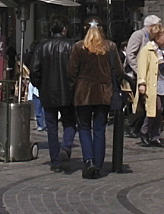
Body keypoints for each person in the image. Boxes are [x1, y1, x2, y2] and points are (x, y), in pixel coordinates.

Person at [68, 17, 120, 180]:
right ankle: (98, 163)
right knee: (99, 129)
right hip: (104, 92)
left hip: (83, 93)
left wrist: (73, 88)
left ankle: (88, 160)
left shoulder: (78, 47)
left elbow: (71, 72)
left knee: (84, 127)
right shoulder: (110, 47)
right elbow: (118, 70)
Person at [30, 19, 76, 172]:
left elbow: (34, 71)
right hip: (68, 92)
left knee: (51, 127)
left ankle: (55, 160)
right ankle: (66, 147)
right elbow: (76, 69)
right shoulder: (71, 45)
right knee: (69, 123)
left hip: (48, 92)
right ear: (64, 29)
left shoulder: (41, 47)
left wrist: (41, 86)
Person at [136, 25, 164, 148]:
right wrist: (142, 83)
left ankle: (155, 135)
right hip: (152, 85)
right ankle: (144, 132)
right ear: (157, 37)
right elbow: (142, 67)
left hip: (162, 84)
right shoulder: (147, 50)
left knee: (160, 111)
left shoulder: (162, 51)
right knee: (154, 109)